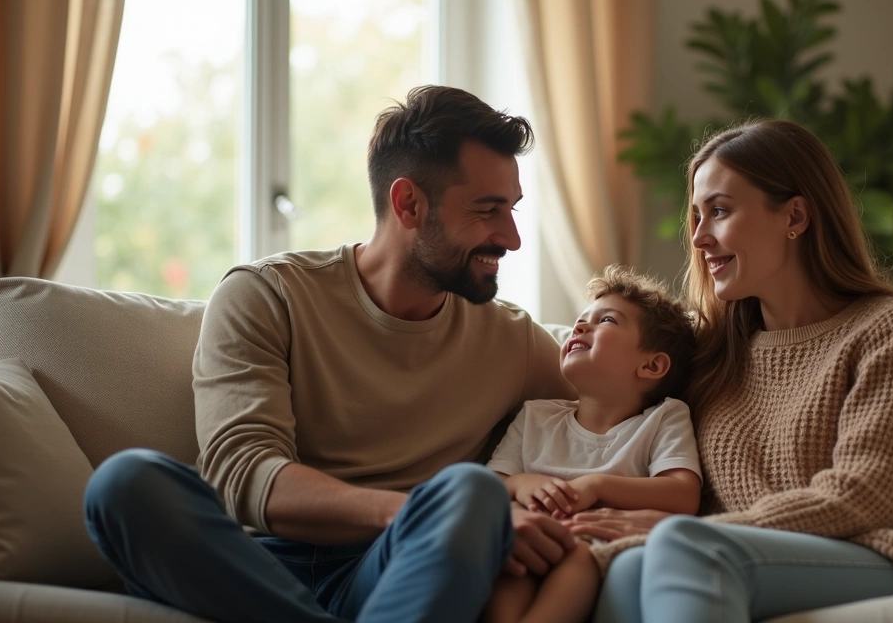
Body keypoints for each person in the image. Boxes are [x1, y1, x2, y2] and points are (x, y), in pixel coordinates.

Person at [82, 85, 580, 623]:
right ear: (408, 203)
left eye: (512, 210)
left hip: (397, 573)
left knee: (473, 492)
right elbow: (245, 474)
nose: (511, 238)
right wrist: (415, 512)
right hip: (253, 566)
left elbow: (624, 415)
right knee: (124, 483)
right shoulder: (267, 295)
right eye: (488, 210)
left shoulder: (511, 340)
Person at [567, 120, 893, 622]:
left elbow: (872, 496)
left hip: (884, 551)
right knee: (628, 570)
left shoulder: (891, 328)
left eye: (719, 211)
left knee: (684, 548)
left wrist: (693, 533)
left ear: (796, 217)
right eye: (695, 216)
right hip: (731, 555)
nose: (698, 238)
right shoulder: (714, 353)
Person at [482, 265, 702, 623]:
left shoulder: (663, 419)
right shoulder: (536, 416)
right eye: (581, 320)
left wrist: (596, 485)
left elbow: (683, 494)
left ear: (652, 365)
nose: (581, 326)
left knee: (579, 556)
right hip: (532, 540)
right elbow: (490, 485)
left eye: (608, 321)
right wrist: (523, 483)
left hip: (597, 549)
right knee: (511, 560)